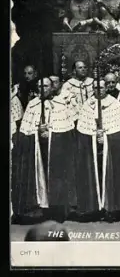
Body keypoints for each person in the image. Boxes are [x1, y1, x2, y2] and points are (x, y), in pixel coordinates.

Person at [12, 78, 77, 222]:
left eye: (46, 86)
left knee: (56, 177)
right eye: (40, 86)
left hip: (56, 151)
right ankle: (40, 210)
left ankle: (57, 210)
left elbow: (67, 131)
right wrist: (37, 131)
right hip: (37, 150)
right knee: (39, 177)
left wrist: (52, 133)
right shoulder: (32, 104)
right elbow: (25, 131)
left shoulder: (60, 104)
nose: (43, 89)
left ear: (52, 87)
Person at [75, 79, 120, 222]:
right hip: (93, 150)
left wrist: (107, 138)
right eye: (95, 87)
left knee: (112, 174)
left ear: (106, 88)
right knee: (94, 175)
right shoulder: (87, 104)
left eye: (102, 87)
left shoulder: (114, 104)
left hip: (111, 151)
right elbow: (83, 131)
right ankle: (94, 209)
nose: (99, 90)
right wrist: (94, 136)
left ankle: (112, 208)